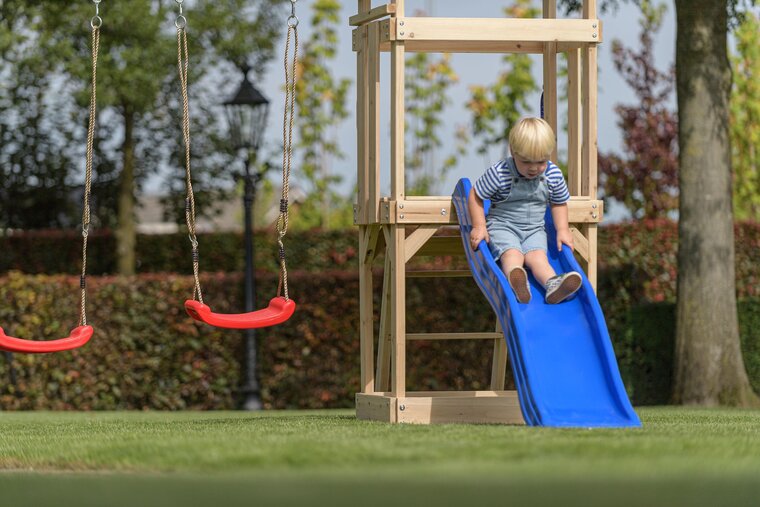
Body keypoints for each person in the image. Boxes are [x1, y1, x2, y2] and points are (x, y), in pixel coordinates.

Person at [468, 117, 582, 304]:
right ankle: (516, 279)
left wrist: (563, 230)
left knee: (538, 258)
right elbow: (475, 194)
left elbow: (559, 202)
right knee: (513, 254)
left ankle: (553, 285)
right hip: (503, 226)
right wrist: (479, 226)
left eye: (541, 162)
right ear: (513, 152)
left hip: (535, 229)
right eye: (527, 162)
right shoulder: (500, 173)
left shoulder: (553, 174)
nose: (534, 168)